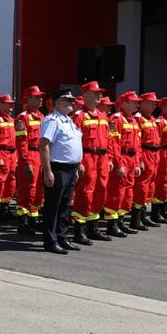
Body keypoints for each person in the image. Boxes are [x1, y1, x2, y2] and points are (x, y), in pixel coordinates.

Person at [39, 89, 83, 254]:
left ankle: (62, 237)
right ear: (58, 103)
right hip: (57, 168)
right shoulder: (53, 120)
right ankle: (50, 241)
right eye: (68, 100)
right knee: (53, 206)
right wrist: (47, 171)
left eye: (72, 101)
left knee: (65, 206)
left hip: (70, 169)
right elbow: (44, 146)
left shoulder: (69, 121)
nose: (72, 103)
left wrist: (76, 167)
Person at [71, 81, 113, 244]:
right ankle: (79, 230)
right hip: (87, 158)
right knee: (85, 192)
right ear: (86, 96)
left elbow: (108, 140)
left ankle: (93, 227)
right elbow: (74, 142)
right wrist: (78, 162)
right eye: (96, 93)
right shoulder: (79, 117)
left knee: (100, 191)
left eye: (100, 93)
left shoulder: (103, 116)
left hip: (102, 159)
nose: (99, 96)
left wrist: (108, 158)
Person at [103, 91, 143, 237]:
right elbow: (113, 143)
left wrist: (138, 163)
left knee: (128, 192)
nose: (137, 104)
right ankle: (112, 225)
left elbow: (138, 144)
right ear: (125, 103)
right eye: (134, 102)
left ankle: (120, 222)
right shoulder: (116, 119)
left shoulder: (133, 120)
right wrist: (119, 163)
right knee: (117, 191)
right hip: (123, 158)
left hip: (132, 160)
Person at [15, 85, 46, 234]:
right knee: (27, 189)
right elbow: (21, 142)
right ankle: (23, 222)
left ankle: (33, 218)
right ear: (28, 99)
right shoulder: (23, 118)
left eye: (41, 97)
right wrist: (26, 162)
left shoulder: (42, 117)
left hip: (40, 156)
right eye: (37, 97)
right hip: (30, 156)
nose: (41, 99)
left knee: (39, 190)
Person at [132, 92, 162, 229]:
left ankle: (143, 216)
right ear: (142, 103)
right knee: (141, 187)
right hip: (146, 153)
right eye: (151, 103)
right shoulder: (138, 119)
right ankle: (136, 219)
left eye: (155, 103)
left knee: (150, 186)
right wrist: (141, 160)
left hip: (154, 154)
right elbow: (137, 142)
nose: (154, 105)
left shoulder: (151, 119)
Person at [0, 94, 17, 221]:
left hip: (12, 155)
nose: (11, 106)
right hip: (2, 154)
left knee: (11, 183)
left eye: (11, 103)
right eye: (8, 103)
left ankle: (5, 207)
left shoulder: (11, 120)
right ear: (1, 104)